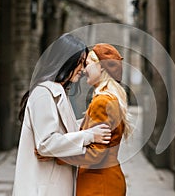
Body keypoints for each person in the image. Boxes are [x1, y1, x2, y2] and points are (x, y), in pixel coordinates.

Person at [12, 34, 112, 196]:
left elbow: (64, 131)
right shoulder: (44, 93)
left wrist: (90, 121)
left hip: (55, 186)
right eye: (80, 62)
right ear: (66, 60)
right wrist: (90, 135)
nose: (83, 69)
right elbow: (46, 143)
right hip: (43, 189)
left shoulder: (57, 92)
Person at [53, 43, 132, 196]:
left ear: (101, 67)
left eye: (87, 64)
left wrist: (55, 154)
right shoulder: (110, 98)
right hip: (105, 181)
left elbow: (95, 155)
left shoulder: (102, 102)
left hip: (98, 185)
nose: (83, 70)